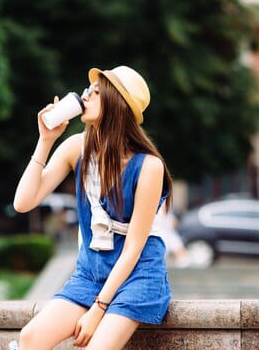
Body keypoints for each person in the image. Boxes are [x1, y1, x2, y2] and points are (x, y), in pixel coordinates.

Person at [12, 65, 173, 350]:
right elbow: (23, 203)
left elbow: (133, 248)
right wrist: (46, 140)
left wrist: (98, 309)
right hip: (90, 273)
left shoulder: (149, 166)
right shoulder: (76, 148)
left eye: (96, 92)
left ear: (116, 105)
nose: (85, 96)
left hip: (137, 274)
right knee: (30, 338)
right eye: (88, 90)